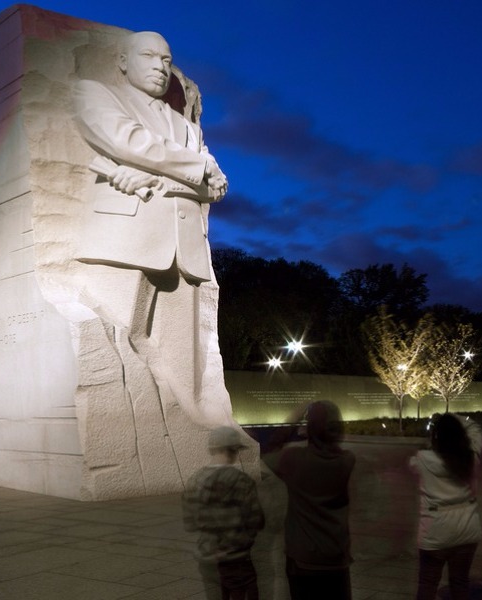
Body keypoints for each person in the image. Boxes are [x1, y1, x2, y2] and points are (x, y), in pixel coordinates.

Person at [72, 31, 229, 430]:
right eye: (149, 56)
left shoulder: (189, 129)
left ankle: (190, 432)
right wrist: (195, 168)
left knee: (183, 366)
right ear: (123, 61)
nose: (161, 66)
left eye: (166, 59)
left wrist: (149, 174)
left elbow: (215, 188)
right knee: (116, 346)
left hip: (185, 251)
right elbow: (127, 140)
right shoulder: (96, 93)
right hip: (122, 240)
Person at [261, 401, 356, 600]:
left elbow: (267, 450)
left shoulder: (293, 459)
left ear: (310, 428)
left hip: (303, 556)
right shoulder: (347, 461)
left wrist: (294, 419)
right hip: (336, 555)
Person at [182, 426, 265, 600]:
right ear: (234, 450)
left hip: (207, 557)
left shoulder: (194, 480)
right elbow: (256, 520)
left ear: (212, 449)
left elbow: (190, 523)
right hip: (237, 558)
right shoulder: (243, 481)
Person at [409, 413, 482, 600]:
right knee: (460, 583)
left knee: (428, 583)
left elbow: (413, 465)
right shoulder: (470, 457)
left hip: (435, 531)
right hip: (467, 529)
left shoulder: (423, 459)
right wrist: (454, 418)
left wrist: (438, 422)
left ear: (436, 435)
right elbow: (475, 428)